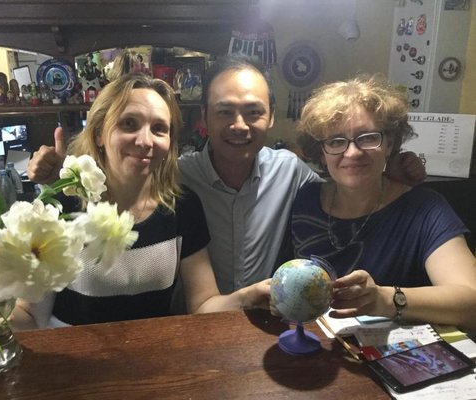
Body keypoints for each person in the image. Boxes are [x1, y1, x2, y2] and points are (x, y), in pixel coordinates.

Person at [0, 73, 270, 376]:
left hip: (153, 366)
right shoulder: (63, 205)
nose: (145, 140)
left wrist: (248, 296)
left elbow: (203, 305)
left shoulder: (183, 206)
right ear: (100, 133)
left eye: (160, 128)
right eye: (129, 123)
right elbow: (30, 315)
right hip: (71, 368)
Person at [26, 55, 424, 296]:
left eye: (253, 112)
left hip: (268, 320)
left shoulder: (291, 172)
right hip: (190, 322)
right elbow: (120, 176)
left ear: (270, 117)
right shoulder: (176, 177)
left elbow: (345, 182)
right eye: (225, 112)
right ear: (204, 118)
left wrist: (390, 169)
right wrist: (61, 176)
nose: (239, 125)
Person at [291, 74, 476, 330]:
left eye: (368, 137)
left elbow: (471, 301)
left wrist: (386, 299)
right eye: (336, 141)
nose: (352, 152)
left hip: (393, 350)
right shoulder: (305, 200)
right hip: (314, 345)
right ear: (322, 153)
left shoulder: (425, 209)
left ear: (389, 143)